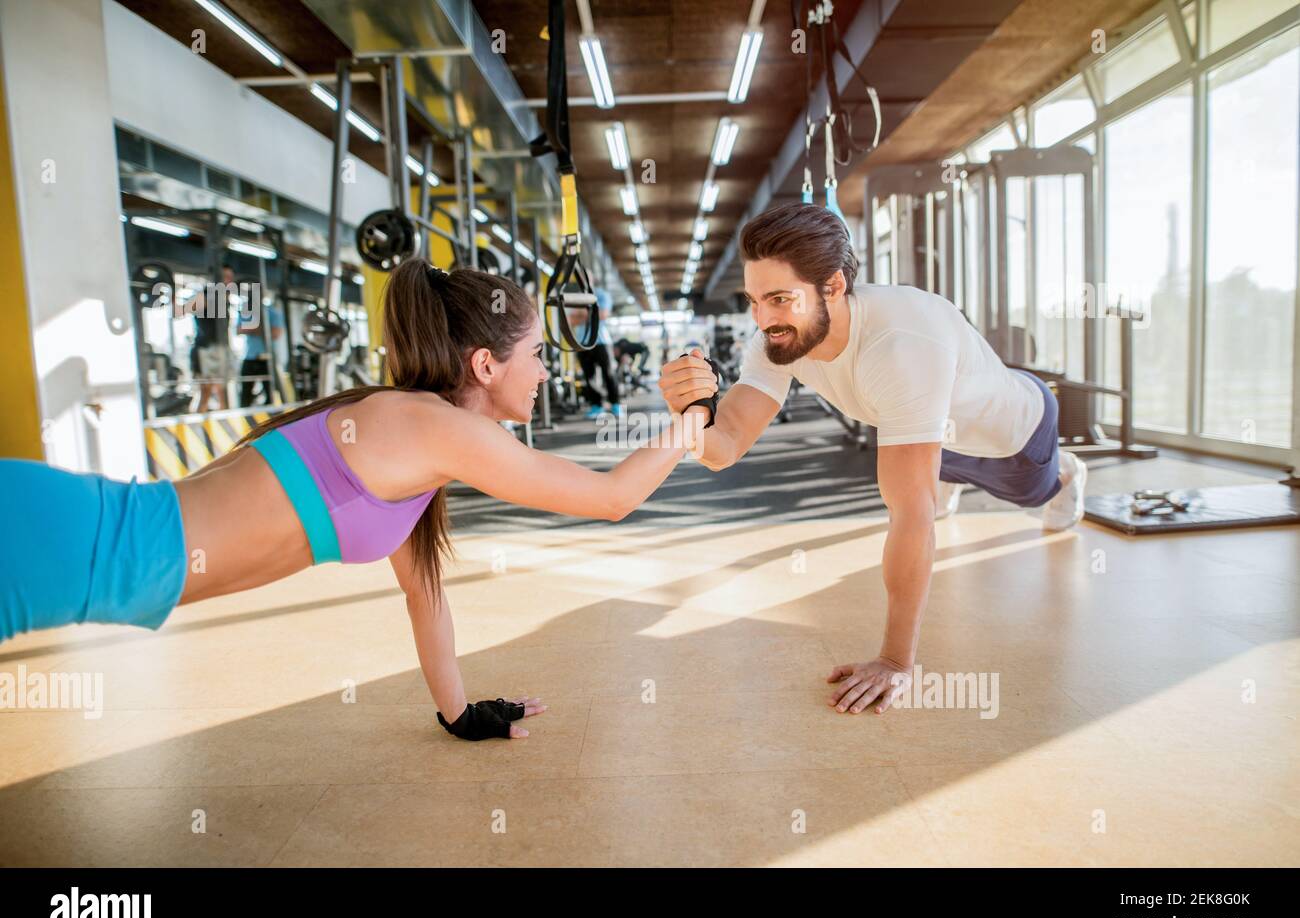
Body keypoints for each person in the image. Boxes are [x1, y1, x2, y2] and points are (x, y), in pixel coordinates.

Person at [1, 262, 715, 741]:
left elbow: (423, 590)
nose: (545, 370)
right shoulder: (435, 427)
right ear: (486, 364)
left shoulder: (422, 440)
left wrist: (460, 710)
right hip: (73, 545)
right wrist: (694, 418)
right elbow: (613, 497)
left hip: (96, 561)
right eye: (535, 353)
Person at [659, 204, 1088, 717]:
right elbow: (724, 446)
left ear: (834, 286)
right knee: (918, 469)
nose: (763, 318)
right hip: (931, 433)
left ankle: (1067, 473)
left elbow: (911, 517)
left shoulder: (901, 345)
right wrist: (690, 415)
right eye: (754, 300)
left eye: (779, 299)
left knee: (1020, 494)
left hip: (1011, 438)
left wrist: (894, 661)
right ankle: (941, 476)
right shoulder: (779, 338)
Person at [188, 264, 239, 411]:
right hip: (206, 349)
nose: (228, 280)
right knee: (206, 392)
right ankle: (197, 427)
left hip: (222, 349)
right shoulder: (207, 294)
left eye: (230, 278)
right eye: (225, 277)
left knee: (224, 393)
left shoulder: (226, 300)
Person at [571, 289, 623, 420]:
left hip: (601, 341)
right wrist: (592, 312)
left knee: (609, 373)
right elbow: (571, 320)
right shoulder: (575, 297)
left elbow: (603, 314)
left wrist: (581, 314)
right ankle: (597, 406)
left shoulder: (602, 295)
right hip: (582, 343)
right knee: (589, 377)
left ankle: (616, 404)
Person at [239, 295, 286, 407]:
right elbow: (239, 329)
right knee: (245, 396)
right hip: (250, 356)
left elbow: (276, 334)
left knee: (271, 394)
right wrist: (264, 329)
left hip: (268, 357)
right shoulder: (245, 312)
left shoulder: (273, 313)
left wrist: (253, 329)